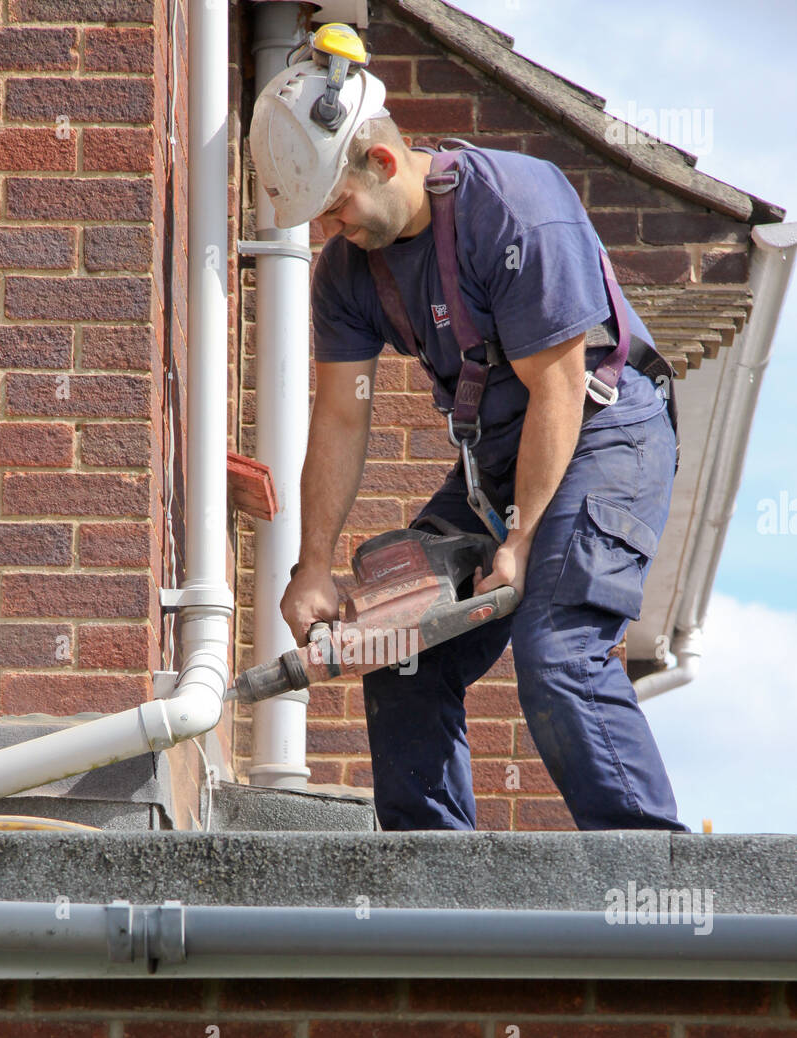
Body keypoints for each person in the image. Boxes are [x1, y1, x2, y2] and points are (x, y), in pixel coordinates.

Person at [249, 29, 690, 833]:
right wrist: (312, 566)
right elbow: (342, 413)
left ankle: (648, 890)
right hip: (498, 457)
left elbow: (557, 387)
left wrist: (517, 540)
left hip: (602, 429)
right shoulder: (347, 275)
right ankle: (435, 904)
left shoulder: (515, 208)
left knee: (557, 650)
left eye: (337, 209)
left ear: (381, 163)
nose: (330, 231)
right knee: (398, 646)